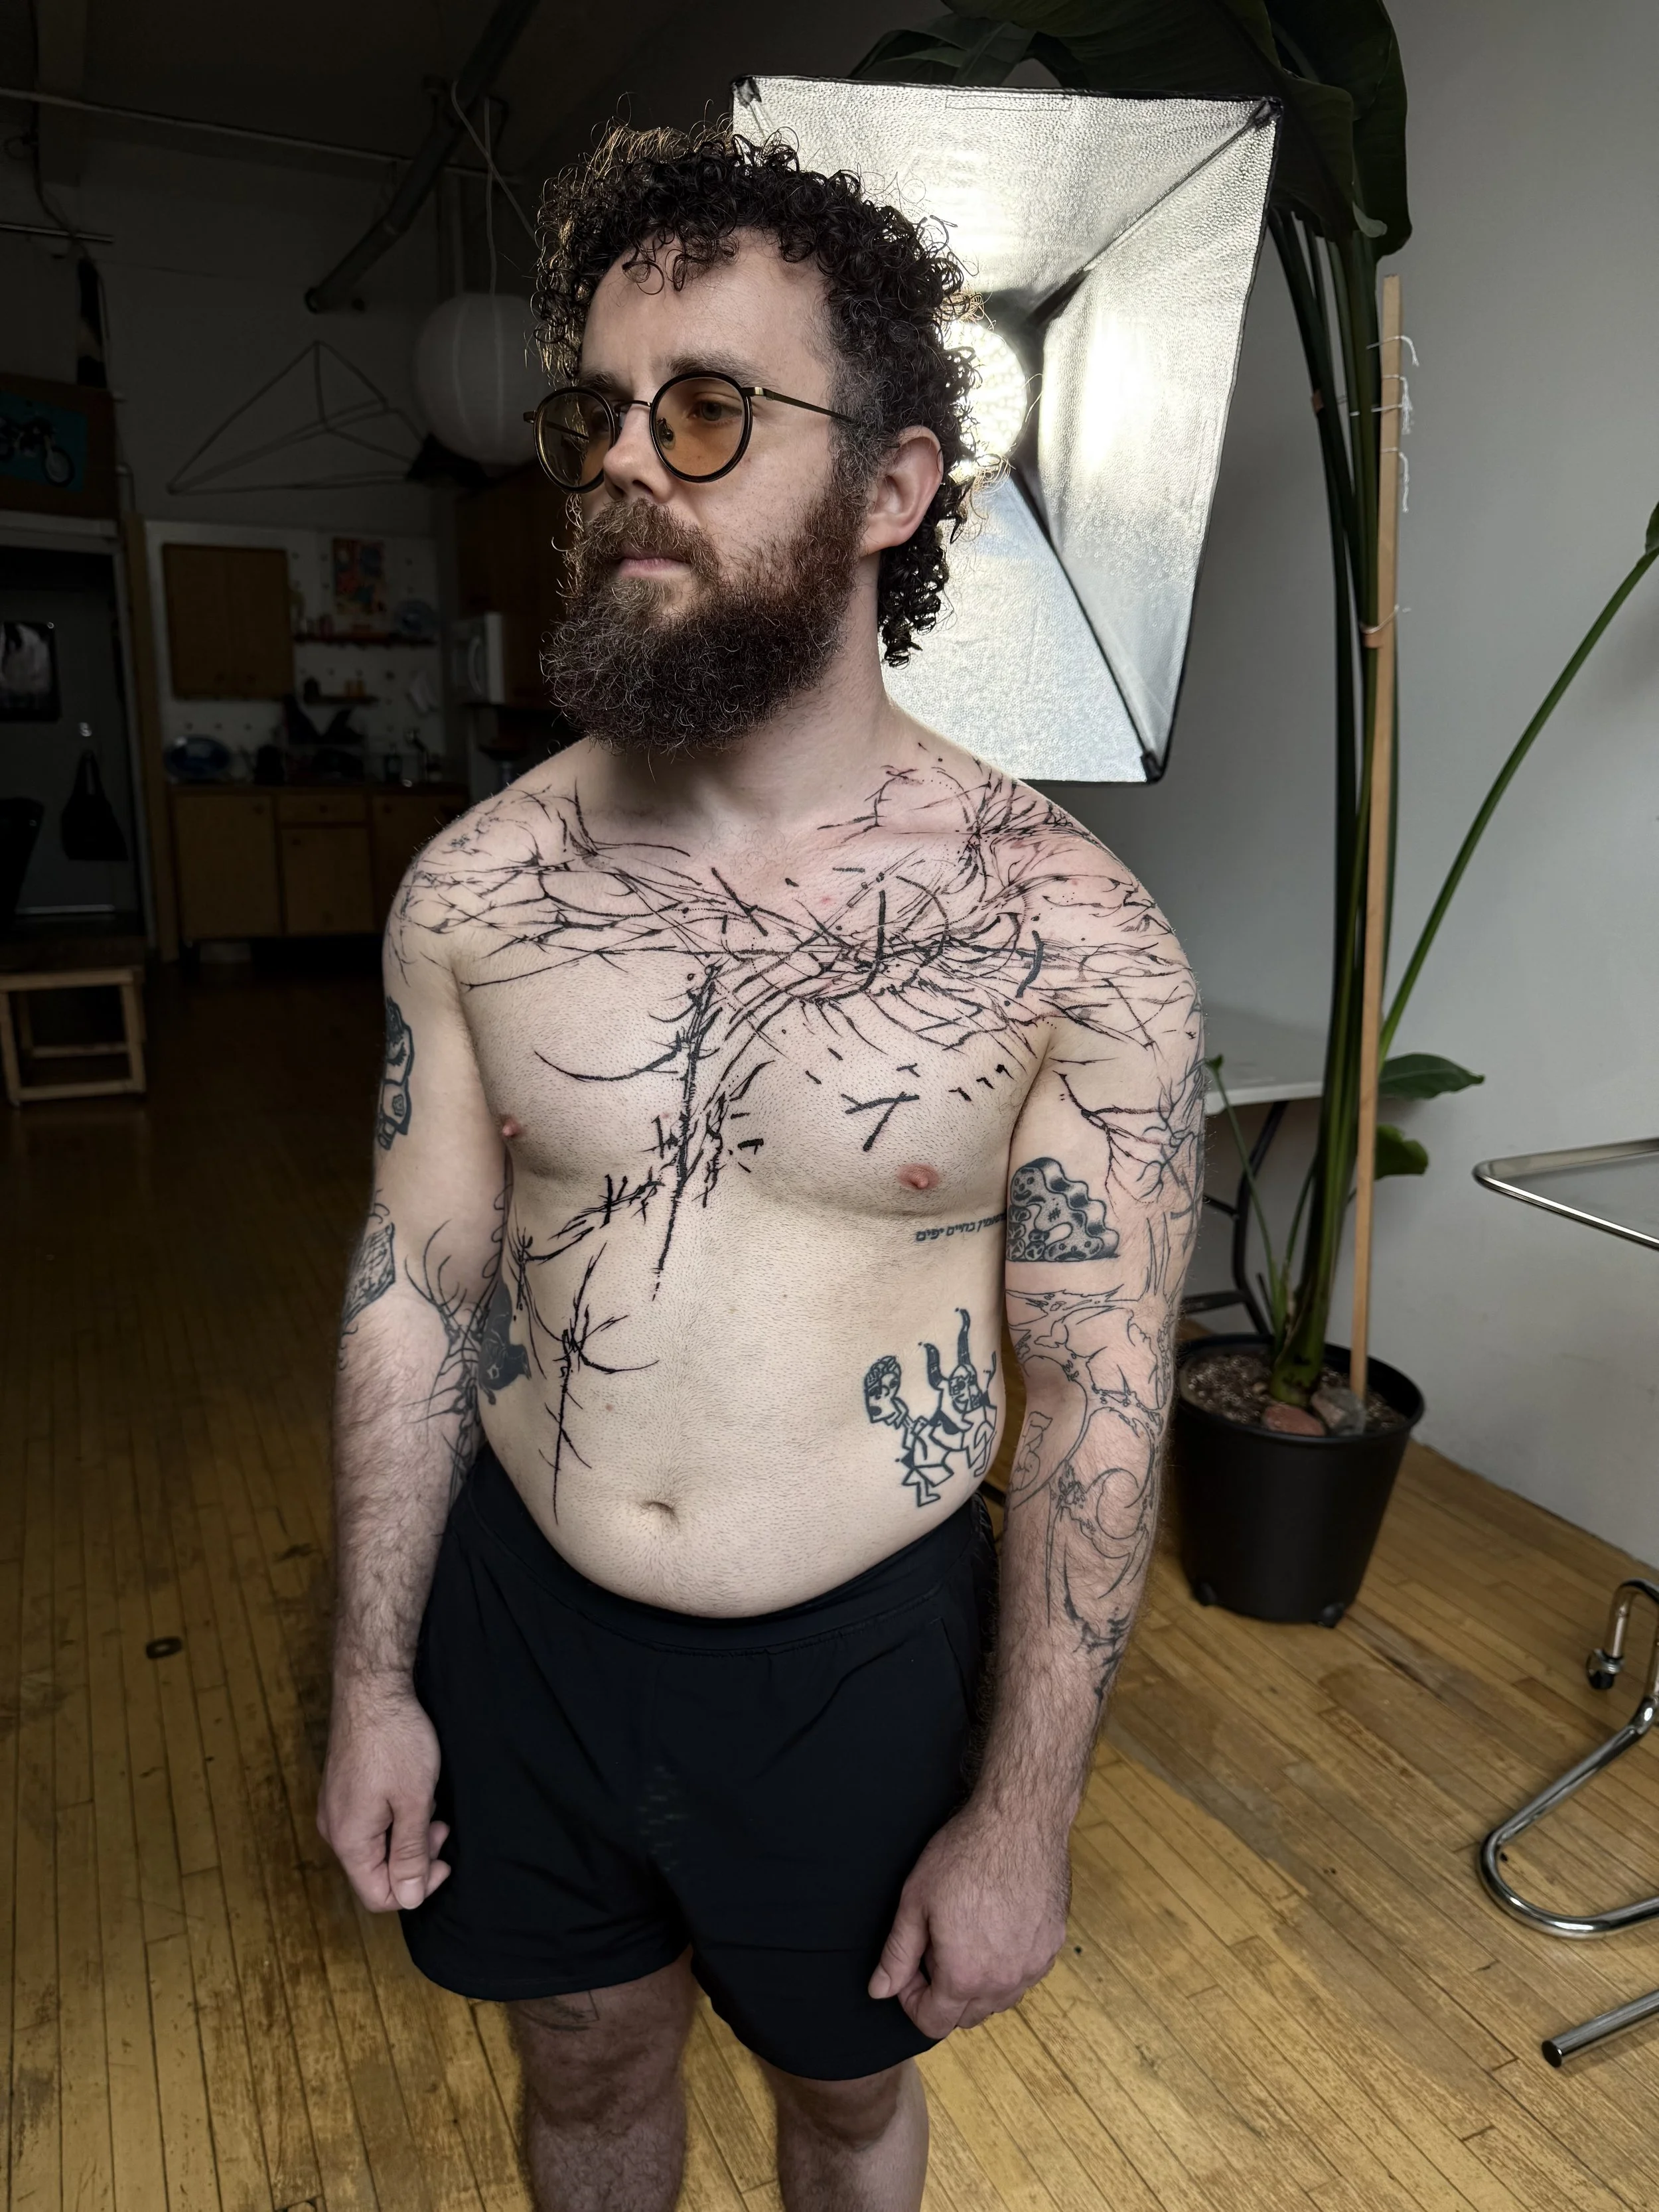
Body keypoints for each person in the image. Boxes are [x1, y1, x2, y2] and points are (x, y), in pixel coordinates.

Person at [319, 122, 1203, 2212]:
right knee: (585, 2061)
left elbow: (1099, 1391)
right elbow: (414, 1291)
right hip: (525, 1618)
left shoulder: (1070, 938)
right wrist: (371, 1683)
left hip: (856, 1657)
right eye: (598, 416)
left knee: (841, 2098)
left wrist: (1024, 1815)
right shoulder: (479, 889)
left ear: (890, 487)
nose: (627, 463)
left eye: (706, 411)